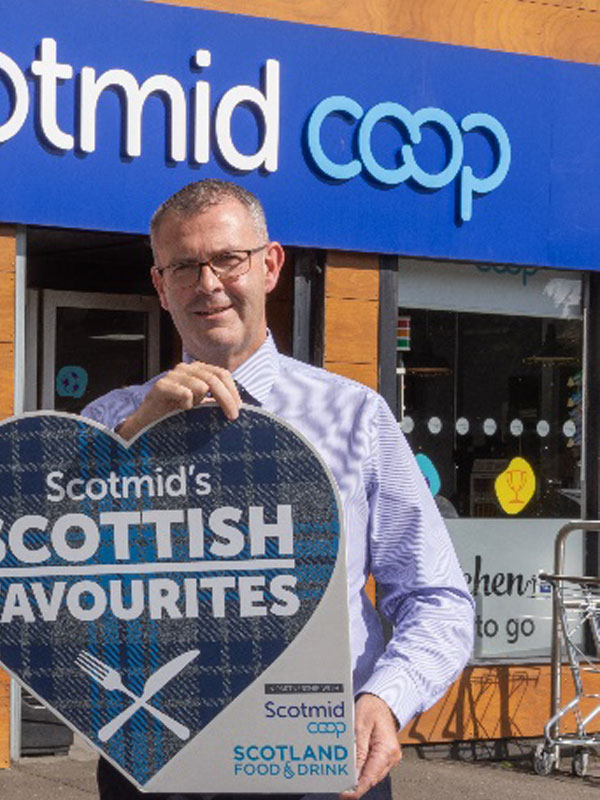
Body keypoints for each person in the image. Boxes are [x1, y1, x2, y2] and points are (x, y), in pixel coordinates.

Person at [81, 180, 474, 800]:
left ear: (270, 266)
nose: (207, 284)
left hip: (319, 762)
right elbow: (55, 583)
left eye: (227, 259)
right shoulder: (111, 422)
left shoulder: (355, 418)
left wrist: (386, 701)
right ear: (160, 285)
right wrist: (134, 443)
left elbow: (436, 596)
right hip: (154, 759)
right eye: (184, 266)